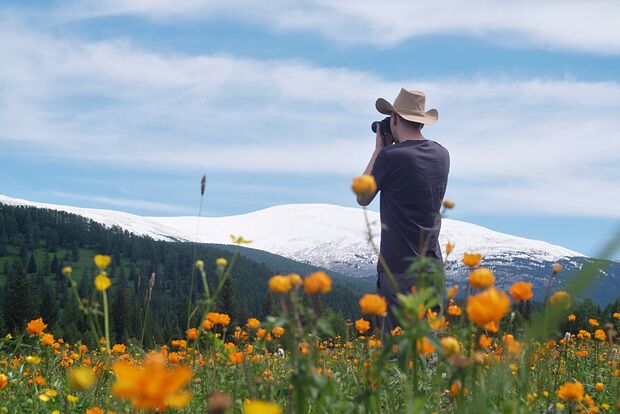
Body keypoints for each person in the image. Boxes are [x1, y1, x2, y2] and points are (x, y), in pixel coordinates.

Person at [356, 88, 450, 331]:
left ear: (395, 119)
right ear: (421, 122)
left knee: (397, 351)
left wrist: (379, 150)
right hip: (431, 264)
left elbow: (362, 196)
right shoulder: (442, 155)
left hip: (398, 268)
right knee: (428, 346)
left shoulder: (391, 156)